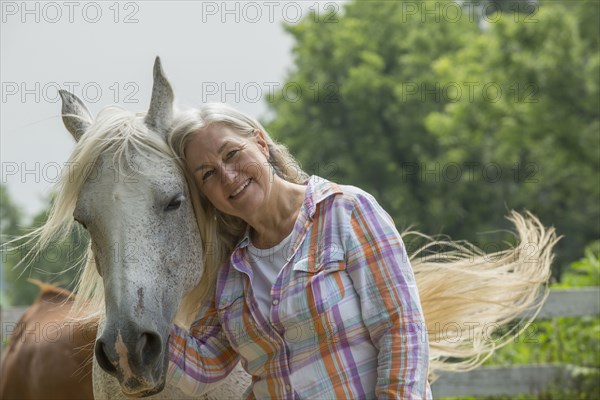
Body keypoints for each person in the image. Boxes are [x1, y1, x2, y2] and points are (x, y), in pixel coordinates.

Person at [166, 103, 432, 399]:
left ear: (260, 143)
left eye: (232, 154)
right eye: (207, 175)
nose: (227, 176)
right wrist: (120, 321)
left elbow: (401, 329)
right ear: (205, 196)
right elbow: (201, 367)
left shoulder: (345, 211)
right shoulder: (229, 276)